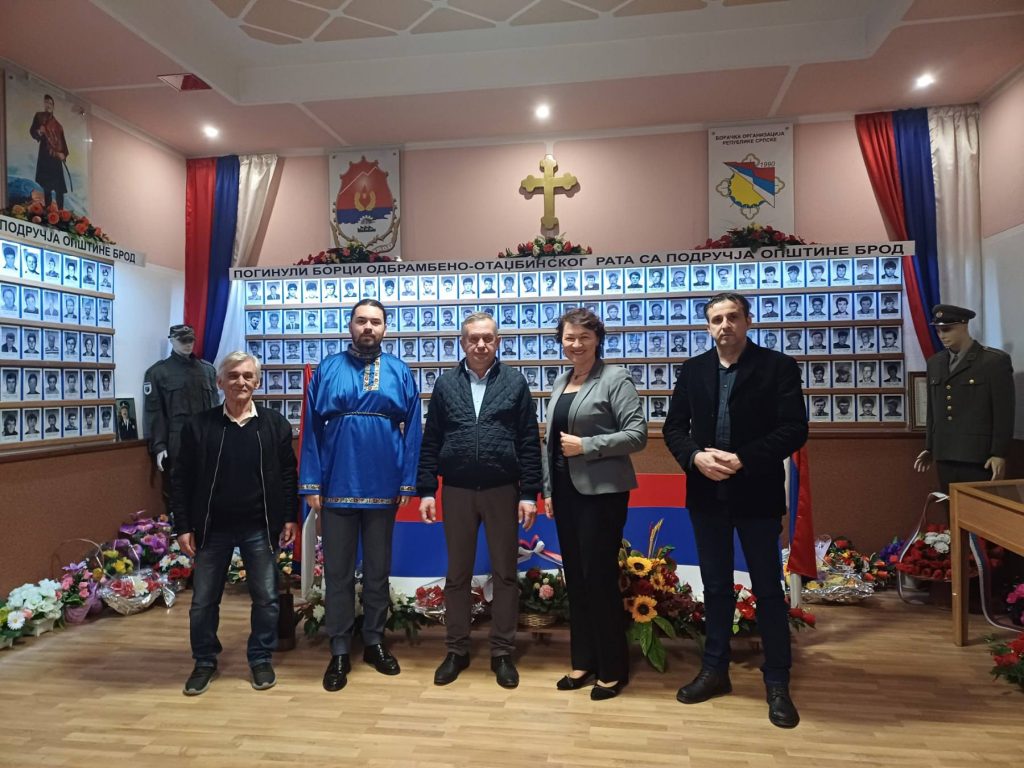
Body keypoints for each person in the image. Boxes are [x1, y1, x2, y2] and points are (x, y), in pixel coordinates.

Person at [662, 292, 808, 729]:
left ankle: (777, 680)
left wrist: (744, 457)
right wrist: (695, 457)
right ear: (708, 327)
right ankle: (715, 670)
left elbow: (794, 429)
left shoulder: (777, 367)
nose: (724, 325)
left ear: (747, 321)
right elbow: (674, 427)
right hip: (706, 493)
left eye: (732, 317)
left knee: (767, 590)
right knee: (716, 587)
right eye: (716, 320)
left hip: (756, 493)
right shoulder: (693, 370)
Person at [300, 300, 422, 693]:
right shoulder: (327, 369)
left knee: (378, 569)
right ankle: (339, 647)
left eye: (376, 321)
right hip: (336, 482)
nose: (368, 327)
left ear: (385, 328)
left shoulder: (399, 371)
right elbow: (311, 428)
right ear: (350, 325)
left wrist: (407, 481)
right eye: (361, 321)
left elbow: (413, 430)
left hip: (383, 483)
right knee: (337, 571)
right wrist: (311, 483)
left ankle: (373, 640)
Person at [417, 312, 542, 689]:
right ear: (463, 342)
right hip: (456, 489)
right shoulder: (445, 384)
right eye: (473, 338)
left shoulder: (515, 382)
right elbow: (431, 439)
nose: (481, 345)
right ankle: (456, 649)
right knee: (457, 574)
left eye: (488, 338)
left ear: (497, 342)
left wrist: (529, 493)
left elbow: (528, 441)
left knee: (505, 573)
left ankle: (502, 651)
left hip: (502, 489)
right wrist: (427, 489)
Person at [171, 351, 298, 696]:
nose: (240, 382)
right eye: (233, 375)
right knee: (203, 602)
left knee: (267, 599)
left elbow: (288, 475)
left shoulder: (274, 425)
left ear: (257, 382)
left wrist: (289, 516)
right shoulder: (199, 426)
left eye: (247, 376)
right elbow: (180, 480)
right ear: (219, 381)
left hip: (259, 527)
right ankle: (204, 661)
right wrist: (183, 526)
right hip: (212, 529)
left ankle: (260, 657)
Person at [542, 307, 647, 700]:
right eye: (569, 337)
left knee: (599, 579)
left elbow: (637, 434)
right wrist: (549, 491)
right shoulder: (561, 381)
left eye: (584, 337)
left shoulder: (615, 378)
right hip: (566, 493)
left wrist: (587, 445)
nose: (576, 344)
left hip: (602, 495)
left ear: (597, 339)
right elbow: (551, 443)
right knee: (577, 578)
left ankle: (613, 668)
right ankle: (584, 660)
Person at [913, 304, 1015, 492]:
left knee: (978, 507)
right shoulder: (935, 363)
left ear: (964, 326)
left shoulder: (993, 361)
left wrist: (999, 453)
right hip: (944, 452)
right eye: (938, 330)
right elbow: (933, 411)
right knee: (950, 505)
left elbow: (1004, 412)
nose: (942, 335)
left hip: (978, 455)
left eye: (947, 329)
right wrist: (930, 447)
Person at [144, 325, 219, 510]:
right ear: (172, 341)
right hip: (178, 439)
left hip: (207, 438)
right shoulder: (158, 372)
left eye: (191, 340)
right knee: (179, 488)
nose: (188, 345)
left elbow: (216, 408)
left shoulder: (207, 370)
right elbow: (155, 412)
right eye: (183, 340)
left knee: (210, 486)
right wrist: (159, 445)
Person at [29, 94, 69, 209]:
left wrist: (63, 154)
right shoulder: (39, 117)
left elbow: (63, 144)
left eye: (50, 103)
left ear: (53, 106)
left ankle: (61, 212)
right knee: (46, 186)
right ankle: (48, 210)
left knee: (59, 188)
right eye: (46, 102)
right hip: (45, 156)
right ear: (44, 103)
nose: (48, 105)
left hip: (56, 158)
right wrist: (39, 131)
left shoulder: (58, 126)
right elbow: (33, 131)